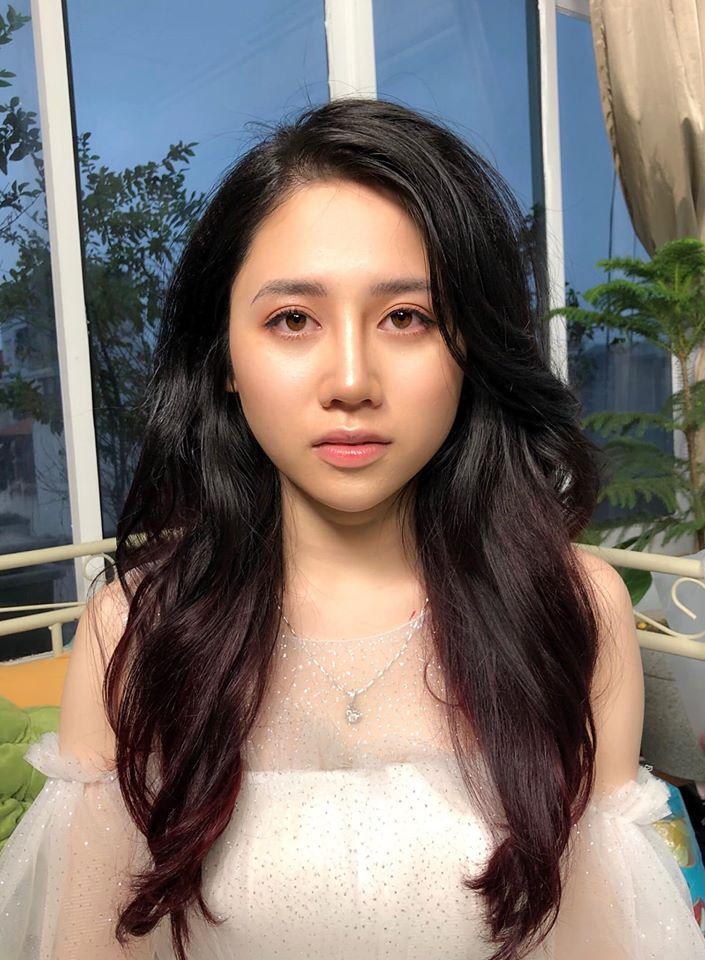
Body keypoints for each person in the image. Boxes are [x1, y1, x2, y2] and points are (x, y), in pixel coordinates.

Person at [0, 96, 702, 960]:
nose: (350, 380)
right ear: (224, 359)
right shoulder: (135, 630)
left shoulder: (569, 609)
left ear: (471, 350)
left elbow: (599, 937)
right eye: (292, 319)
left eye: (405, 317)